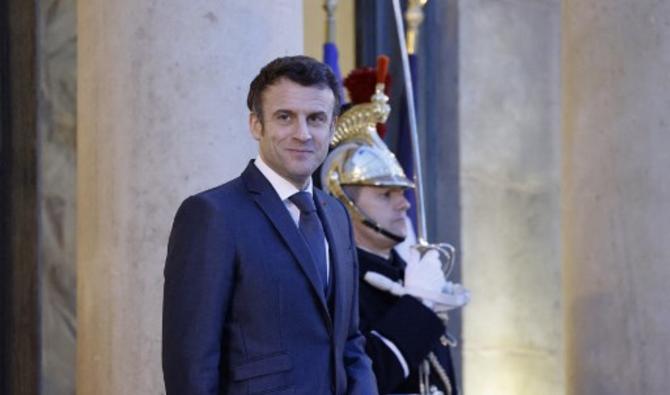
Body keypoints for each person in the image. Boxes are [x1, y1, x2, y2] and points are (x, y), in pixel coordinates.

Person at [162, 55, 378, 395]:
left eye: (316, 118)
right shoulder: (211, 215)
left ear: (333, 127)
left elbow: (350, 342)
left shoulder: (336, 215)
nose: (302, 133)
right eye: (285, 117)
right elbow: (191, 363)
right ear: (256, 125)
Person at [321, 64, 467, 395]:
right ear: (343, 201)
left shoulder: (406, 275)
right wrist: (415, 307)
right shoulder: (337, 284)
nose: (403, 205)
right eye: (385, 195)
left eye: (402, 193)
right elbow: (362, 380)